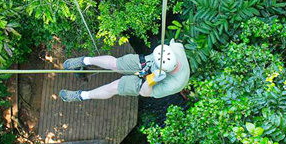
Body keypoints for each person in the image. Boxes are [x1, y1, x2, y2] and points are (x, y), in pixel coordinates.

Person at [59, 39, 190, 102]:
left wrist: (151, 79)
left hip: (149, 84)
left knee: (114, 87)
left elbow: (145, 93)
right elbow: (176, 43)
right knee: (115, 64)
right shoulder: (175, 49)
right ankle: (85, 61)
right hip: (147, 62)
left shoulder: (175, 84)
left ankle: (81, 96)